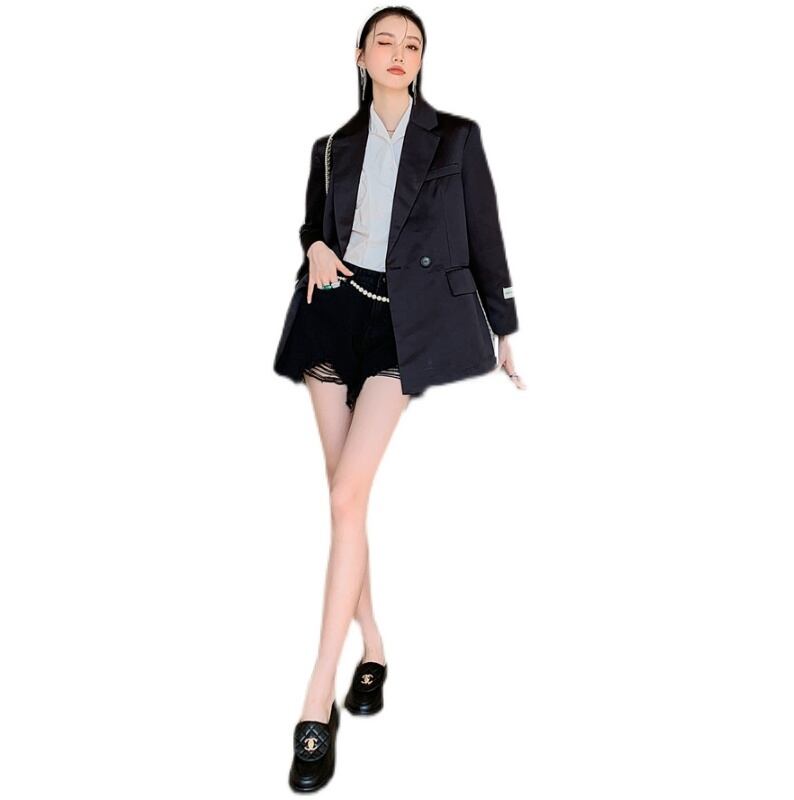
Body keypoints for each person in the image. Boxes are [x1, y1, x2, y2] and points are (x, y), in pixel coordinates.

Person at [275, 5, 525, 792]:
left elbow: (483, 232)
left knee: (346, 495)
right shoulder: (331, 147)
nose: (398, 52)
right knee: (344, 502)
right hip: (329, 314)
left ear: (421, 61)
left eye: (411, 44)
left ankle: (318, 695)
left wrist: (504, 326)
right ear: (360, 54)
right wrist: (316, 244)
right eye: (384, 40)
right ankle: (374, 646)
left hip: (403, 328)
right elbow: (314, 226)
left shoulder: (456, 138)